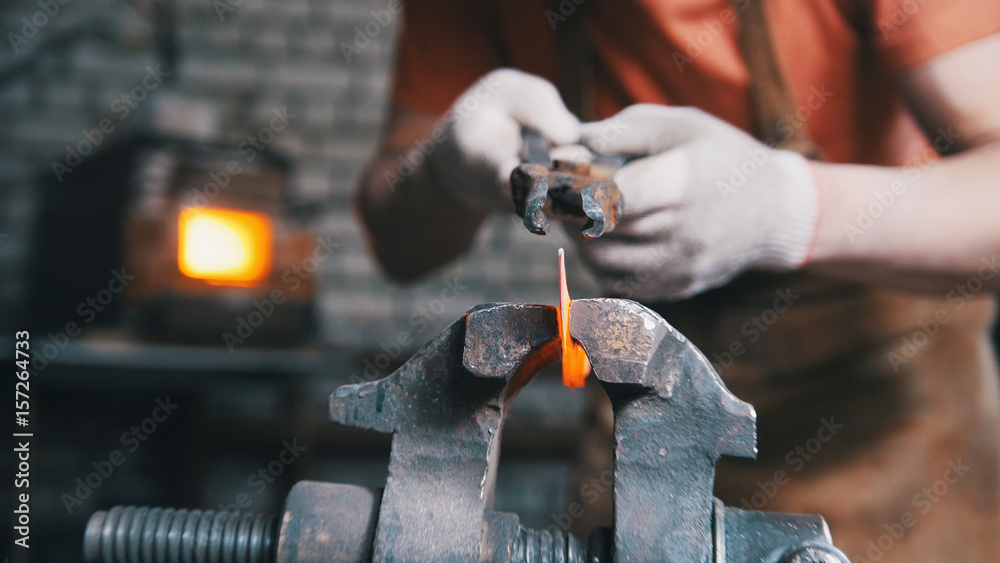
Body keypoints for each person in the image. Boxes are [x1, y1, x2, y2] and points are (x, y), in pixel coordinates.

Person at [353, 1, 1000, 561]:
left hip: (891, 444)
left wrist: (794, 211)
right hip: (641, 440)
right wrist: (444, 172)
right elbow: (398, 244)